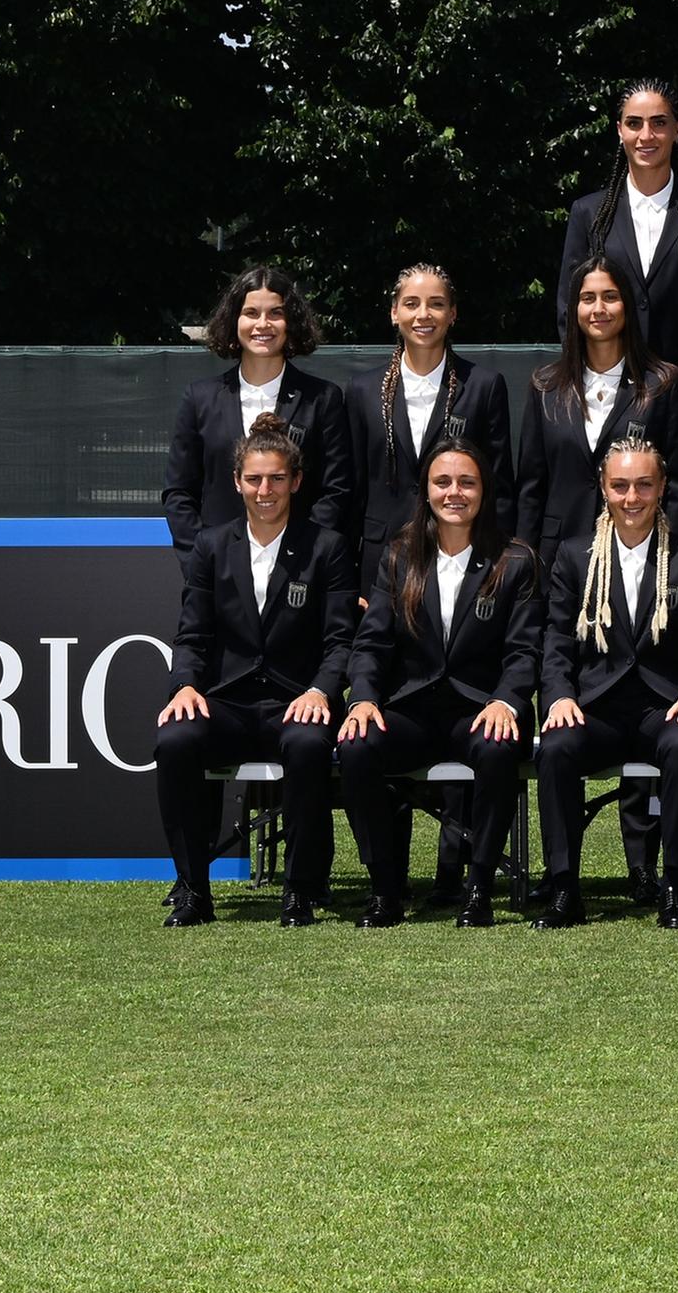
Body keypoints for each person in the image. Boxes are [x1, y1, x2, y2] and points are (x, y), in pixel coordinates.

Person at [150, 421, 351, 926]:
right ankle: (193, 890)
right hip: (228, 703)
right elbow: (192, 636)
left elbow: (340, 641)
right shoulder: (211, 546)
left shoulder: (327, 547)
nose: (266, 490)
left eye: (277, 478)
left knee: (307, 745)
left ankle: (300, 891)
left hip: (297, 700)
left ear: (296, 481)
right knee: (175, 740)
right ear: (237, 481)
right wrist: (184, 686)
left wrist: (321, 690)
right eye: (255, 479)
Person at [336, 439, 540, 928]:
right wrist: (362, 699)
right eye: (442, 482)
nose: (454, 492)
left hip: (481, 709)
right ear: (425, 490)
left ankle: (480, 889)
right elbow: (371, 644)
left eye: (467, 482)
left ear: (484, 490)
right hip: (413, 709)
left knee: (497, 748)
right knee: (358, 746)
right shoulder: (399, 555)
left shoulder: (515, 560)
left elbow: (525, 651)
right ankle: (384, 889)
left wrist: (507, 701)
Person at [531, 434, 678, 926]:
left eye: (644, 485)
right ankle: (564, 888)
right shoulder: (575, 555)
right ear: (603, 487)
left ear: (662, 487)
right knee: (557, 748)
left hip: (663, 706)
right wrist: (559, 696)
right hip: (597, 706)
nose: (632, 498)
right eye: (620, 486)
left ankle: (673, 887)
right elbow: (556, 639)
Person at [160, 266, 362, 557]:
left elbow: (337, 490)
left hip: (300, 570)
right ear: (234, 320)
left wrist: (305, 558)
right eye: (251, 313)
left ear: (291, 322)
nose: (263, 324)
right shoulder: (199, 399)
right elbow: (179, 493)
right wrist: (203, 561)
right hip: (219, 571)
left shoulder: (323, 399)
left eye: (276, 313)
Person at [356, 262, 519, 586]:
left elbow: (499, 487)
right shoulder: (362, 390)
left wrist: (497, 566)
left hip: (463, 559)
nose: (423, 315)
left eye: (436, 304)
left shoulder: (483, 387)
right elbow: (354, 489)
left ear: (452, 314)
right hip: (380, 562)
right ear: (394, 312)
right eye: (411, 303)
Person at [556, 79, 678, 376]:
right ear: (619, 130)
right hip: (609, 386)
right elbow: (570, 306)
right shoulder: (589, 213)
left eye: (659, 122)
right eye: (634, 123)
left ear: (677, 130)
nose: (646, 135)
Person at [518, 261, 678, 553]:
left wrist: (673, 559)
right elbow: (530, 489)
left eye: (610, 297)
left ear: (627, 305)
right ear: (574, 309)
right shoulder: (546, 388)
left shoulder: (664, 385)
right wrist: (524, 562)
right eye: (588, 298)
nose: (599, 308)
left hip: (641, 553)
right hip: (557, 555)